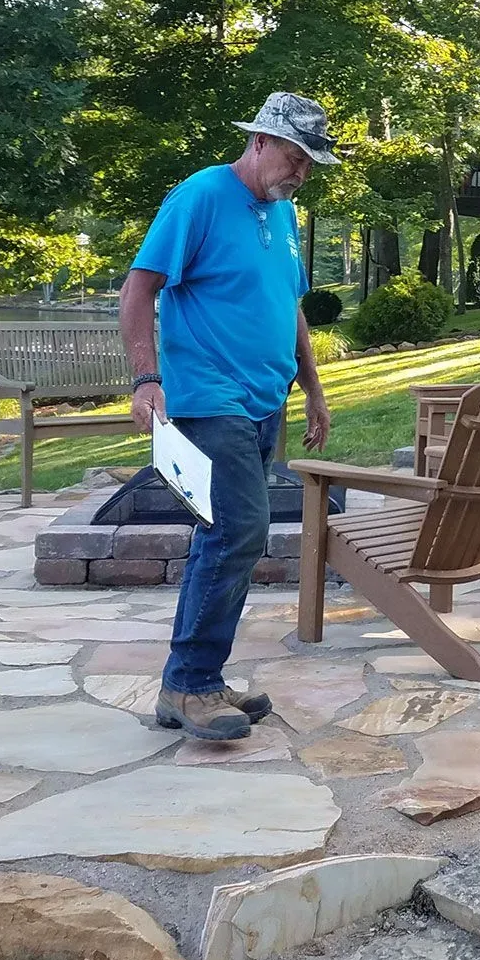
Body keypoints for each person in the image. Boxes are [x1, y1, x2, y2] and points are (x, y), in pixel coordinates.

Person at [121, 92, 337, 740]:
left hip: (264, 398)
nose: (300, 173)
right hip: (208, 397)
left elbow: (288, 303)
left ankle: (197, 680)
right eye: (295, 158)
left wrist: (314, 388)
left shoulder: (284, 212)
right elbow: (138, 289)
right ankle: (188, 683)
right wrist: (145, 378)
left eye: (310, 164)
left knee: (233, 537)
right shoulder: (201, 197)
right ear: (261, 142)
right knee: (238, 530)